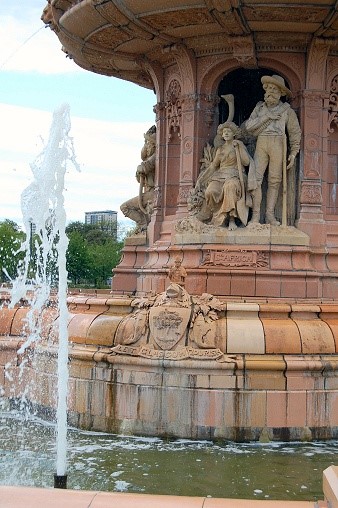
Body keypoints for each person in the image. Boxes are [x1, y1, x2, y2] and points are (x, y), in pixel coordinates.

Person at [245, 74, 301, 225]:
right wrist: (267, 117)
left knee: (274, 181)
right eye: (268, 88)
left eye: (274, 89)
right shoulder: (259, 108)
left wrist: (294, 152)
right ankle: (255, 216)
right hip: (262, 142)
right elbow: (249, 127)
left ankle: (269, 215)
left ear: (280, 93)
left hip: (279, 143)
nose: (270, 92)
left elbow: (295, 132)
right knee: (256, 179)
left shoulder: (286, 110)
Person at [201, 122, 254, 230]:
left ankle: (231, 219)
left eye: (228, 131)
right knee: (210, 191)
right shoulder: (220, 149)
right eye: (224, 132)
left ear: (234, 133)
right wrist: (202, 178)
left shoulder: (238, 145)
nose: (225, 133)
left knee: (229, 187)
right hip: (220, 175)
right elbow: (213, 166)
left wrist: (239, 147)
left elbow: (246, 162)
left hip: (235, 175)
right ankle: (217, 218)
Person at [120, 126, 156, 232]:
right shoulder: (151, 156)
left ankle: (143, 224)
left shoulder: (156, 156)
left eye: (148, 143)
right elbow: (139, 178)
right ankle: (144, 224)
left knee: (125, 207)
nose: (146, 145)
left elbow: (146, 166)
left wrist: (141, 168)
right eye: (146, 142)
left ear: (153, 144)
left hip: (153, 193)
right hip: (149, 192)